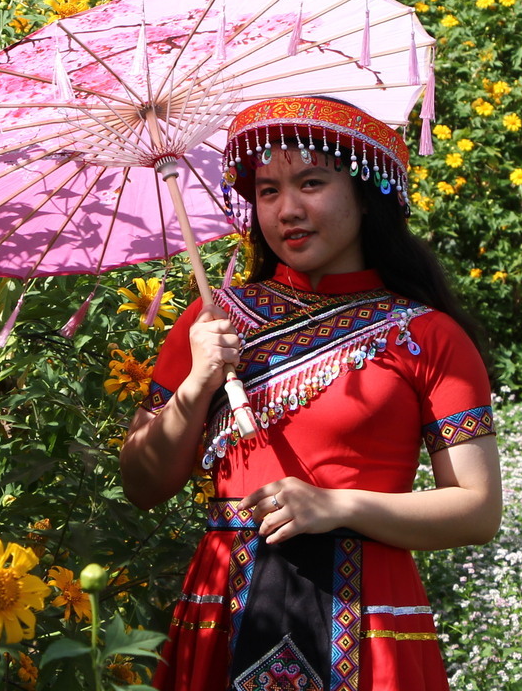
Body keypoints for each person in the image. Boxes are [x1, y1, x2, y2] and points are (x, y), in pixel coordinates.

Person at [120, 96, 502, 691]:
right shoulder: (212, 323)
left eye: (311, 183)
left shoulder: (427, 335)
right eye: (268, 191)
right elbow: (142, 485)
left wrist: (339, 506)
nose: (287, 211)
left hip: (370, 616)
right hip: (226, 602)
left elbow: (476, 510)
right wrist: (197, 383)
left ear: (366, 194)